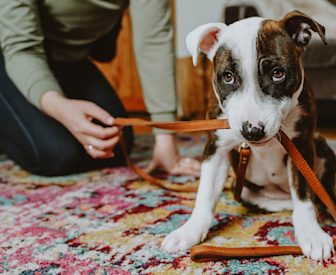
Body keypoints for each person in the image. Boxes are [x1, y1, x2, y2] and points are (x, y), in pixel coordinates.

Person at [0, 0, 201, 176]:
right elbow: (21, 48)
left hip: (70, 60)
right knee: (57, 155)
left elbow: (153, 39)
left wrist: (165, 139)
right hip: (12, 56)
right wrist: (59, 105)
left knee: (114, 147)